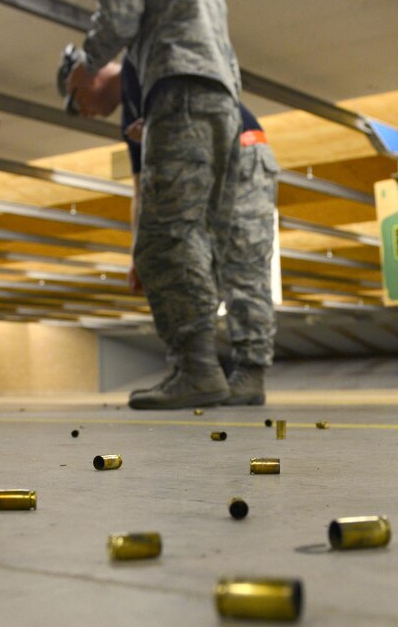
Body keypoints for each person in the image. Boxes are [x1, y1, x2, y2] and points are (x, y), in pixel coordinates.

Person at [64, 0, 263, 410]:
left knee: (162, 241)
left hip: (180, 93)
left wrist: (85, 63)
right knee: (199, 236)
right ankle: (205, 368)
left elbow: (117, 19)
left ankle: (196, 368)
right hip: (219, 101)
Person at [68, 55, 278, 407]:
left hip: (239, 151)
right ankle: (198, 370)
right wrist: (138, 251)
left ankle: (250, 372)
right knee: (190, 257)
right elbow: (141, 186)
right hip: (206, 163)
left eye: (76, 101)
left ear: (88, 77)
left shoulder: (142, 62)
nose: (83, 112)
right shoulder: (130, 106)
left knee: (244, 261)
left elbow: (193, 110)